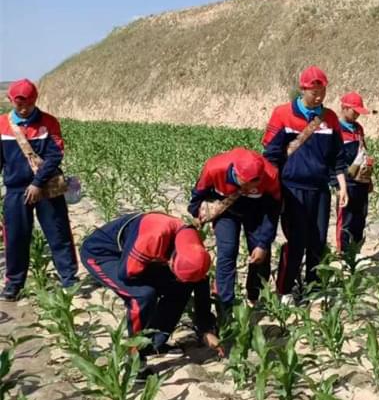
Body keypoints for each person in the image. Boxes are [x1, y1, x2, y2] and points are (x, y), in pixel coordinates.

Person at [80, 212, 222, 359]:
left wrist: (206, 329)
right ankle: (135, 356)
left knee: (181, 287)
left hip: (140, 254)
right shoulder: (153, 239)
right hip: (102, 254)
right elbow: (126, 273)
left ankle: (153, 344)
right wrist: (157, 285)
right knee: (143, 295)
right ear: (171, 260)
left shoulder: (194, 250)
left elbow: (200, 284)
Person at [263, 66, 348, 301]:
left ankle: (313, 286)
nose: (319, 97)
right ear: (303, 89)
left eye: (322, 92)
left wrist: (342, 186)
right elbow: (271, 154)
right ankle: (285, 289)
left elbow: (337, 156)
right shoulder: (283, 114)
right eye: (314, 92)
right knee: (296, 241)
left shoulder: (330, 118)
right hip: (292, 189)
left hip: (320, 189)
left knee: (317, 241)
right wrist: (274, 188)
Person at [0, 79, 78, 300]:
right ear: (11, 100)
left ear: (35, 100)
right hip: (16, 190)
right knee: (15, 237)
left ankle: (69, 279)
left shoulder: (48, 122)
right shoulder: (2, 125)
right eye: (19, 105)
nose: (24, 109)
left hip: (47, 188)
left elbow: (55, 156)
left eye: (29, 104)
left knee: (58, 233)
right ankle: (14, 284)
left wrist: (37, 183)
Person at [188, 148, 280, 312]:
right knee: (227, 251)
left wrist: (263, 243)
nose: (250, 189)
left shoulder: (270, 175)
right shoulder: (214, 168)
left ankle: (255, 296)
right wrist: (197, 214)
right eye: (246, 185)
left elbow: (273, 210)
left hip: (257, 212)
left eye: (254, 185)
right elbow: (198, 193)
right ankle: (225, 304)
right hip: (226, 212)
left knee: (260, 255)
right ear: (236, 175)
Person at [335, 92, 374, 267]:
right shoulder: (336, 129)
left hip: (361, 181)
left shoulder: (358, 129)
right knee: (346, 218)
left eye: (359, 112)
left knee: (360, 216)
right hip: (346, 181)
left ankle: (356, 251)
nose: (357, 115)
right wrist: (338, 183)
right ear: (344, 108)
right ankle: (343, 253)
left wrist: (369, 179)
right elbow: (332, 158)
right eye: (354, 111)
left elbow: (363, 152)